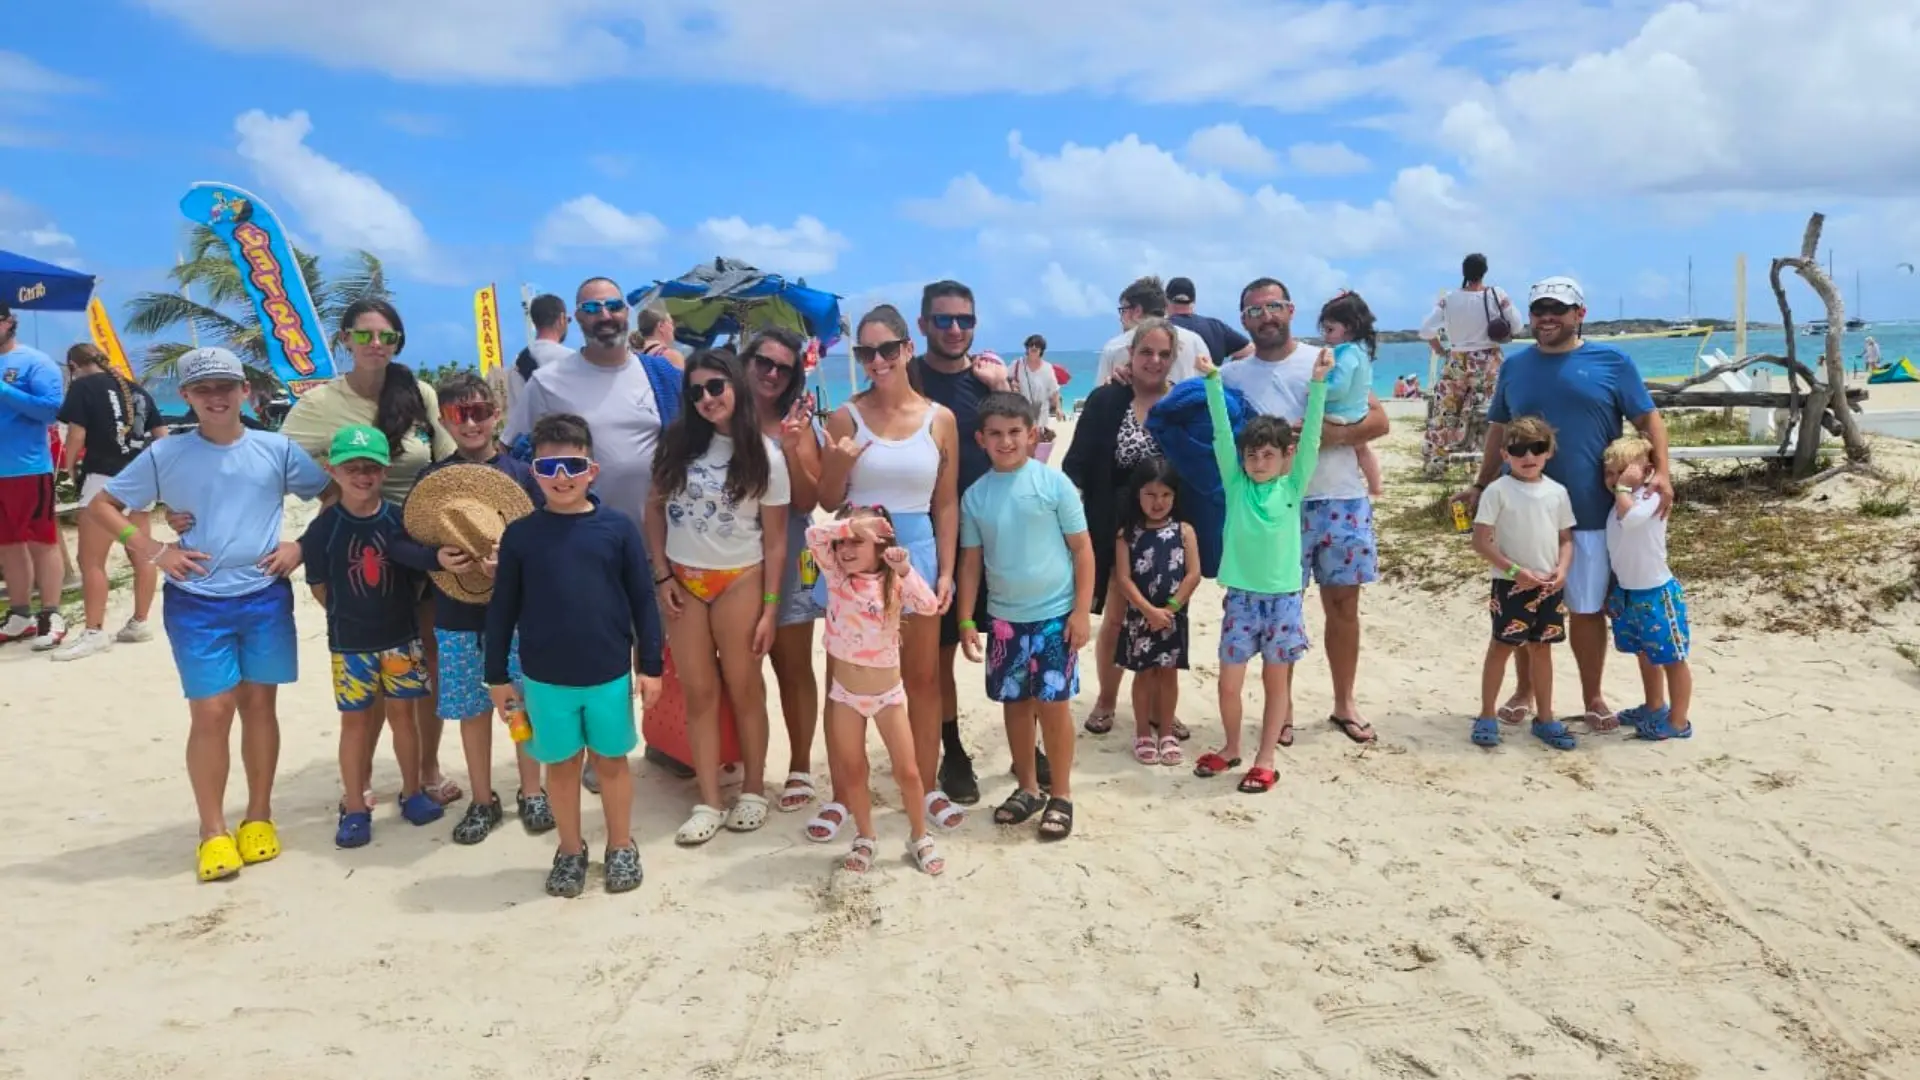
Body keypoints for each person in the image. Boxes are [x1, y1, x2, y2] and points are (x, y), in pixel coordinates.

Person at [86, 347, 330, 880]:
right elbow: (102, 506)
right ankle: (212, 830)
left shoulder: (276, 449)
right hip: (196, 600)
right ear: (188, 397)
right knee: (211, 711)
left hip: (264, 594)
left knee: (260, 706)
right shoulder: (166, 454)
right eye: (203, 389)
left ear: (246, 391)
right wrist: (154, 549)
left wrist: (302, 546)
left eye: (226, 386)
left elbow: (334, 495)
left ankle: (259, 816)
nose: (216, 397)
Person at [1459, 276, 1672, 732]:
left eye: (1558, 308)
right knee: (1524, 606)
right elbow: (1498, 429)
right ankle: (1524, 691)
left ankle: (1593, 695)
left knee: (1587, 609)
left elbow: (1648, 418)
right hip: (1523, 515)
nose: (1547, 317)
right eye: (1539, 310)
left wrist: (1664, 474)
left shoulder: (1612, 361)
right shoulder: (1515, 367)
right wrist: (1480, 484)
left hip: (1593, 514)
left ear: (1580, 313)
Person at [278, 299, 463, 808]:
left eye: (387, 336)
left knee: (424, 662)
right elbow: (273, 462)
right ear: (345, 340)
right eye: (364, 336)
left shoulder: (418, 392)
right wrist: (330, 494)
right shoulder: (319, 404)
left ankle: (425, 771)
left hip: (422, 544)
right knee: (369, 666)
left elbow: (448, 461)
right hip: (357, 547)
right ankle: (358, 784)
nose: (376, 345)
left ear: (398, 342)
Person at [505, 276, 682, 783]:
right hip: (581, 543)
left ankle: (661, 740)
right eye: (591, 308)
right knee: (597, 647)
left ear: (625, 314)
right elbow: (517, 453)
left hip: (658, 542)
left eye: (611, 306)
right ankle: (597, 753)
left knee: (656, 647)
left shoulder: (657, 375)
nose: (604, 315)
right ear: (575, 319)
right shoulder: (550, 382)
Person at [486, 413, 665, 898]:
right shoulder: (521, 535)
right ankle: (569, 849)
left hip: (608, 674)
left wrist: (651, 667)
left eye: (571, 464)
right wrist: (496, 675)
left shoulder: (619, 529)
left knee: (611, 764)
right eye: (548, 468)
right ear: (534, 474)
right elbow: (502, 608)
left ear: (592, 470)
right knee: (560, 767)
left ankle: (621, 845)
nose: (561, 477)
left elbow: (642, 600)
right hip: (545, 680)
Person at [817, 302, 967, 837]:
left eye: (886, 349)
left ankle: (924, 787)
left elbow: (946, 504)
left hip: (918, 554)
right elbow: (829, 500)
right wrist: (837, 462)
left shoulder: (939, 419)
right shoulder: (845, 416)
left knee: (923, 679)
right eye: (865, 351)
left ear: (907, 349)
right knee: (845, 678)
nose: (876, 360)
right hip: (856, 561)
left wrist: (945, 571)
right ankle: (841, 794)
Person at [1223, 278, 1388, 746]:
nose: (1266, 317)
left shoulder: (1327, 356)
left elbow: (1379, 420)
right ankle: (1285, 711)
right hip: (1275, 513)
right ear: (1243, 320)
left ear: (1291, 309)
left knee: (1343, 605)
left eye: (1273, 306)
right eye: (1255, 311)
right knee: (1282, 609)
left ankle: (1344, 703)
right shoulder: (1235, 375)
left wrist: (1321, 438)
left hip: (1338, 497)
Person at [389, 372, 551, 844]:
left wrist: (517, 565)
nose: (472, 423)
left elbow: (549, 537)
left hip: (519, 614)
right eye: (461, 415)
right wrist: (433, 557)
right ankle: (483, 799)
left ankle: (531, 790)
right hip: (457, 616)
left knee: (524, 705)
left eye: (480, 411)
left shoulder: (522, 476)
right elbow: (400, 542)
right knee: (472, 710)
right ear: (445, 421)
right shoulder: (432, 480)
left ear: (496, 413)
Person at [645, 349, 788, 846]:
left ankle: (752, 788)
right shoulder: (676, 445)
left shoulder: (766, 455)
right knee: (699, 692)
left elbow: (774, 539)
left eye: (715, 387)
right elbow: (654, 511)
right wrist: (662, 577)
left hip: (740, 580)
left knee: (746, 686)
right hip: (684, 581)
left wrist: (771, 608)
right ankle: (708, 798)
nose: (706, 398)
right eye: (696, 391)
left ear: (736, 387)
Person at [957, 392, 1093, 841]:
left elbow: (1083, 551)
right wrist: (965, 619)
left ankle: (1063, 793)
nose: (1006, 441)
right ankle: (1028, 787)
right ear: (981, 439)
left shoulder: (1054, 485)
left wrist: (1080, 613)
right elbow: (971, 563)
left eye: (1015, 432)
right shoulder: (975, 497)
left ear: (1032, 435)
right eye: (995, 433)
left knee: (1054, 707)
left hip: (1054, 616)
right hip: (1003, 620)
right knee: (1015, 705)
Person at [1195, 346, 1332, 793]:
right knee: (1229, 684)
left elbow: (1311, 436)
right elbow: (1219, 433)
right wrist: (1213, 382)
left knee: (1277, 685)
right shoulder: (1237, 486)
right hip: (1241, 599)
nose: (1258, 463)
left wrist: (1317, 383)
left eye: (1267, 455)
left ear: (1284, 456)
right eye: (1252, 456)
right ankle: (1232, 746)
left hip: (1284, 601)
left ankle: (1266, 757)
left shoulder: (1293, 485)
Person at [299, 425, 442, 846]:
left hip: (401, 635)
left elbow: (417, 577)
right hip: (350, 643)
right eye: (352, 468)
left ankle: (412, 791)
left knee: (405, 719)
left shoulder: (399, 518)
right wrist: (348, 617)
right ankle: (356, 806)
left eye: (372, 469)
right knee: (355, 723)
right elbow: (319, 585)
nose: (362, 476)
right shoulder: (324, 528)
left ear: (385, 470)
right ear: (333, 470)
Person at [906, 280, 1012, 806]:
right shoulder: (906, 379)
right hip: (932, 542)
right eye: (943, 320)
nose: (954, 330)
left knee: (1015, 641)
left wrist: (1001, 385)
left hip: (996, 534)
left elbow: (1021, 441)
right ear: (922, 324)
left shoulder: (985, 381)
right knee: (940, 653)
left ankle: (1024, 743)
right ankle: (953, 749)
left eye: (964, 321)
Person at [1062, 318, 1193, 743]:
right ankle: (1106, 700)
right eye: (1146, 353)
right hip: (1115, 527)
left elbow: (1203, 462)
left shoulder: (1182, 402)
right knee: (1117, 621)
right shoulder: (1106, 399)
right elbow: (1075, 465)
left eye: (1163, 354)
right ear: (1130, 357)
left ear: (1173, 359)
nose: (1154, 361)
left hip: (1169, 529)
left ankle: (1161, 709)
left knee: (1166, 621)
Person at [806, 506, 945, 875]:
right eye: (842, 543)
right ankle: (865, 836)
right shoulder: (836, 579)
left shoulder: (894, 581)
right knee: (852, 770)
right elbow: (813, 537)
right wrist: (852, 524)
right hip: (845, 696)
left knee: (909, 772)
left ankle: (919, 836)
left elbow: (929, 606)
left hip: (887, 697)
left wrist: (904, 570)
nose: (845, 549)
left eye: (857, 542)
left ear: (881, 545)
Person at [742, 328, 828, 814]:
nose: (773, 373)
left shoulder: (800, 424)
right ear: (746, 360)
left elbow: (808, 500)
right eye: (764, 362)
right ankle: (744, 762)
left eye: (784, 367)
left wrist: (793, 448)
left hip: (793, 549)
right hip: (731, 555)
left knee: (793, 665)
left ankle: (799, 764)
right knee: (739, 669)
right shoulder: (717, 415)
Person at [50, 344, 168, 660]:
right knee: (141, 551)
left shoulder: (83, 387)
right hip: (143, 478)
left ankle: (94, 631)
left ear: (72, 365)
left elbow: (75, 437)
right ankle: (140, 622)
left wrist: (64, 477)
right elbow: (162, 436)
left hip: (104, 479)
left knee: (91, 560)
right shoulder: (137, 390)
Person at [1467, 416, 1577, 751]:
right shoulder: (1498, 491)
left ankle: (1544, 717)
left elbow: (1566, 539)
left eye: (1537, 448)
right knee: (1501, 646)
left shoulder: (1558, 492)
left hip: (1547, 586)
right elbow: (1481, 541)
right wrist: (1515, 572)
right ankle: (1487, 713)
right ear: (1504, 454)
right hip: (1510, 585)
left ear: (1549, 452)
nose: (1528, 456)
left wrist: (1562, 571)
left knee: (1542, 650)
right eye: (1518, 449)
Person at [1604, 435, 1693, 741]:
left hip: (1656, 592)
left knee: (1671, 657)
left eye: (1623, 472)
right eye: (1610, 474)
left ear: (1647, 471)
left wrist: (1625, 487)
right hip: (1629, 591)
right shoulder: (1618, 502)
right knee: (1644, 651)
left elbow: (1632, 521)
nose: (1614, 480)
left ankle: (1679, 720)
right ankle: (1654, 704)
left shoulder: (1652, 497)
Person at [1113, 458, 1200, 767]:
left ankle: (1165, 732)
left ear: (1175, 496)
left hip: (1173, 617)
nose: (1158, 502)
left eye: (1165, 495)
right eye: (1150, 494)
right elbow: (1123, 579)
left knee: (1168, 673)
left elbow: (1193, 574)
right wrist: (1149, 610)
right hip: (1140, 617)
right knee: (1144, 673)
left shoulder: (1184, 531)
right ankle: (1142, 733)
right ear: (1137, 494)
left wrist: (1171, 608)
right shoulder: (1127, 534)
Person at [0, 302, 67, 649]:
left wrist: (4, 388)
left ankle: (51, 613)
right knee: (7, 545)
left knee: (42, 542)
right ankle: (19, 614)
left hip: (27, 468)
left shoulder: (35, 362)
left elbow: (51, 410)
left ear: (9, 323)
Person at [1418, 253, 1520, 478]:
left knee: (1445, 413)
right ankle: (1483, 465)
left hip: (1457, 359)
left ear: (1463, 272)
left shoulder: (1450, 299)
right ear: (1484, 272)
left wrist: (1439, 348)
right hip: (1488, 361)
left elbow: (1425, 329)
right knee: (1488, 416)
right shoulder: (1496, 295)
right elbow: (1518, 325)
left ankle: (1435, 464)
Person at [1317, 291, 1386, 498]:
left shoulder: (1347, 353)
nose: (1325, 336)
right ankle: (1375, 486)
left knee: (1305, 428)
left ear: (1348, 327)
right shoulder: (1360, 351)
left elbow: (1339, 388)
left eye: (1330, 329)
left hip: (1343, 412)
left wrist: (1316, 389)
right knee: (1361, 448)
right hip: (1358, 409)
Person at [1095, 276, 1213, 385]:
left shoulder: (1116, 347)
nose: (1121, 318)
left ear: (1137, 311)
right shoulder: (1195, 341)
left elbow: (1099, 396)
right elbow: (1210, 385)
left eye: (1123, 309)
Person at [505, 293, 570, 435]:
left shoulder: (517, 362)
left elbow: (515, 414)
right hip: (566, 442)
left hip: (526, 446)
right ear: (561, 319)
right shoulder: (571, 360)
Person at [1166, 276, 1253, 363]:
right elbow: (1251, 351)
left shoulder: (1162, 329)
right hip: (1210, 375)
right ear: (1193, 301)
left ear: (1166, 301)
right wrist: (1228, 370)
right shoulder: (1216, 327)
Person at [1011, 335, 1065, 462]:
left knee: (1038, 443)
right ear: (1027, 348)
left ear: (1042, 350)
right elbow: (1006, 379)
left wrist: (1058, 408)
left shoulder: (1047, 368)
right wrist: (1011, 385)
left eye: (1037, 346)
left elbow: (1054, 389)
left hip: (1041, 412)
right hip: (1021, 411)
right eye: (1031, 345)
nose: (1034, 348)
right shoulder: (1017, 364)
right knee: (1022, 442)